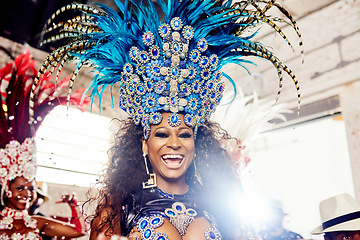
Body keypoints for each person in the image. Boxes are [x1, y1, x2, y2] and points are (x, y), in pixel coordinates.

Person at [30, 0, 303, 239]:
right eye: (162, 134)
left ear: (197, 144)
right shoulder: (120, 204)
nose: (174, 143)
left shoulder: (220, 203)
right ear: (143, 145)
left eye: (184, 134)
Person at [0, 50, 89, 239]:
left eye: (31, 188)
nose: (27, 194)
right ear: (6, 190)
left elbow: (79, 232)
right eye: (20, 188)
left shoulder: (36, 222)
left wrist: (74, 205)